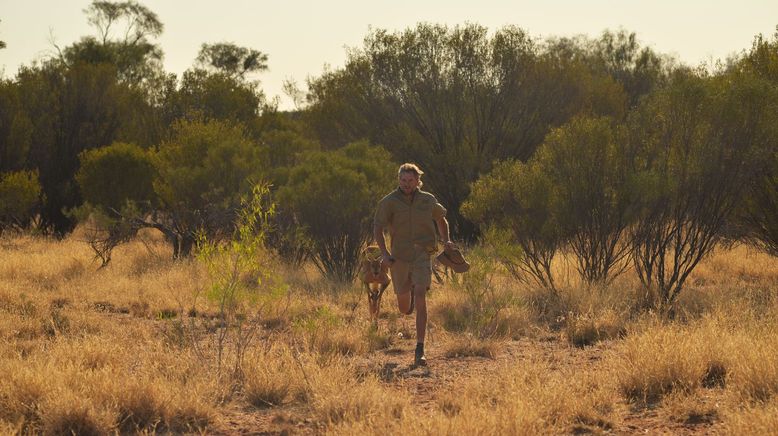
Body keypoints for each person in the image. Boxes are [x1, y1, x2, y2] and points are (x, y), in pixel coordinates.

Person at [374, 163, 454, 366]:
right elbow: (378, 228)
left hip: (422, 255)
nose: (407, 184)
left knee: (420, 295)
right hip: (399, 257)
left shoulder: (428, 200)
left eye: (410, 180)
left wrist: (446, 241)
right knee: (403, 307)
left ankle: (420, 348)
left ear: (418, 180)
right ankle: (406, 299)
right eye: (403, 180)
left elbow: (441, 220)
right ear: (398, 180)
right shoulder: (389, 202)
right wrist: (384, 254)